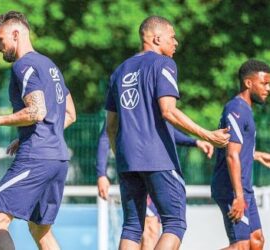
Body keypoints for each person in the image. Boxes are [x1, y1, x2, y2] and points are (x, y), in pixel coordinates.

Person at [105, 16, 230, 250]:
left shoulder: (119, 71)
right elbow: (169, 111)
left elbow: (110, 126)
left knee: (132, 225)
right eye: (173, 37)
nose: (176, 43)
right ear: (156, 38)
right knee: (174, 223)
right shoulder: (163, 64)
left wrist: (122, 155)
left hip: (127, 160)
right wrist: (208, 135)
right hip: (158, 158)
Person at [0, 11, 76, 250]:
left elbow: (36, 111)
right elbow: (70, 114)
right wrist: (28, 134)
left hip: (36, 157)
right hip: (58, 158)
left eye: (0, 39)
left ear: (16, 34)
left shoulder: (23, 65)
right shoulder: (50, 65)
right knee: (40, 230)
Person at [96, 121, 214, 249]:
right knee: (151, 227)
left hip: (138, 165)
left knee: (138, 228)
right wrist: (101, 173)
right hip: (151, 166)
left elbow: (165, 128)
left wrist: (195, 142)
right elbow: (107, 131)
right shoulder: (147, 103)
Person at [211, 59, 270, 250]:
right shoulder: (236, 108)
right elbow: (231, 155)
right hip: (231, 188)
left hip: (244, 188)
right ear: (248, 83)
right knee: (241, 246)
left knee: (256, 240)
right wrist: (238, 196)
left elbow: (238, 148)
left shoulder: (246, 110)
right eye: (264, 83)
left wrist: (257, 155)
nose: (268, 88)